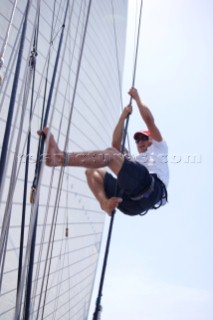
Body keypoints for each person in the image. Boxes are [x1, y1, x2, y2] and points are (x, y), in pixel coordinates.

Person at [38, 87, 169, 216]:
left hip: (152, 188)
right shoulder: (134, 163)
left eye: (143, 138)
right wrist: (123, 117)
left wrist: (137, 98)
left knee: (111, 155)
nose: (140, 142)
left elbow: (149, 120)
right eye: (137, 140)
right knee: (92, 173)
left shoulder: (159, 147)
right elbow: (116, 145)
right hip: (130, 205)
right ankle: (104, 204)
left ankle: (60, 158)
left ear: (151, 138)